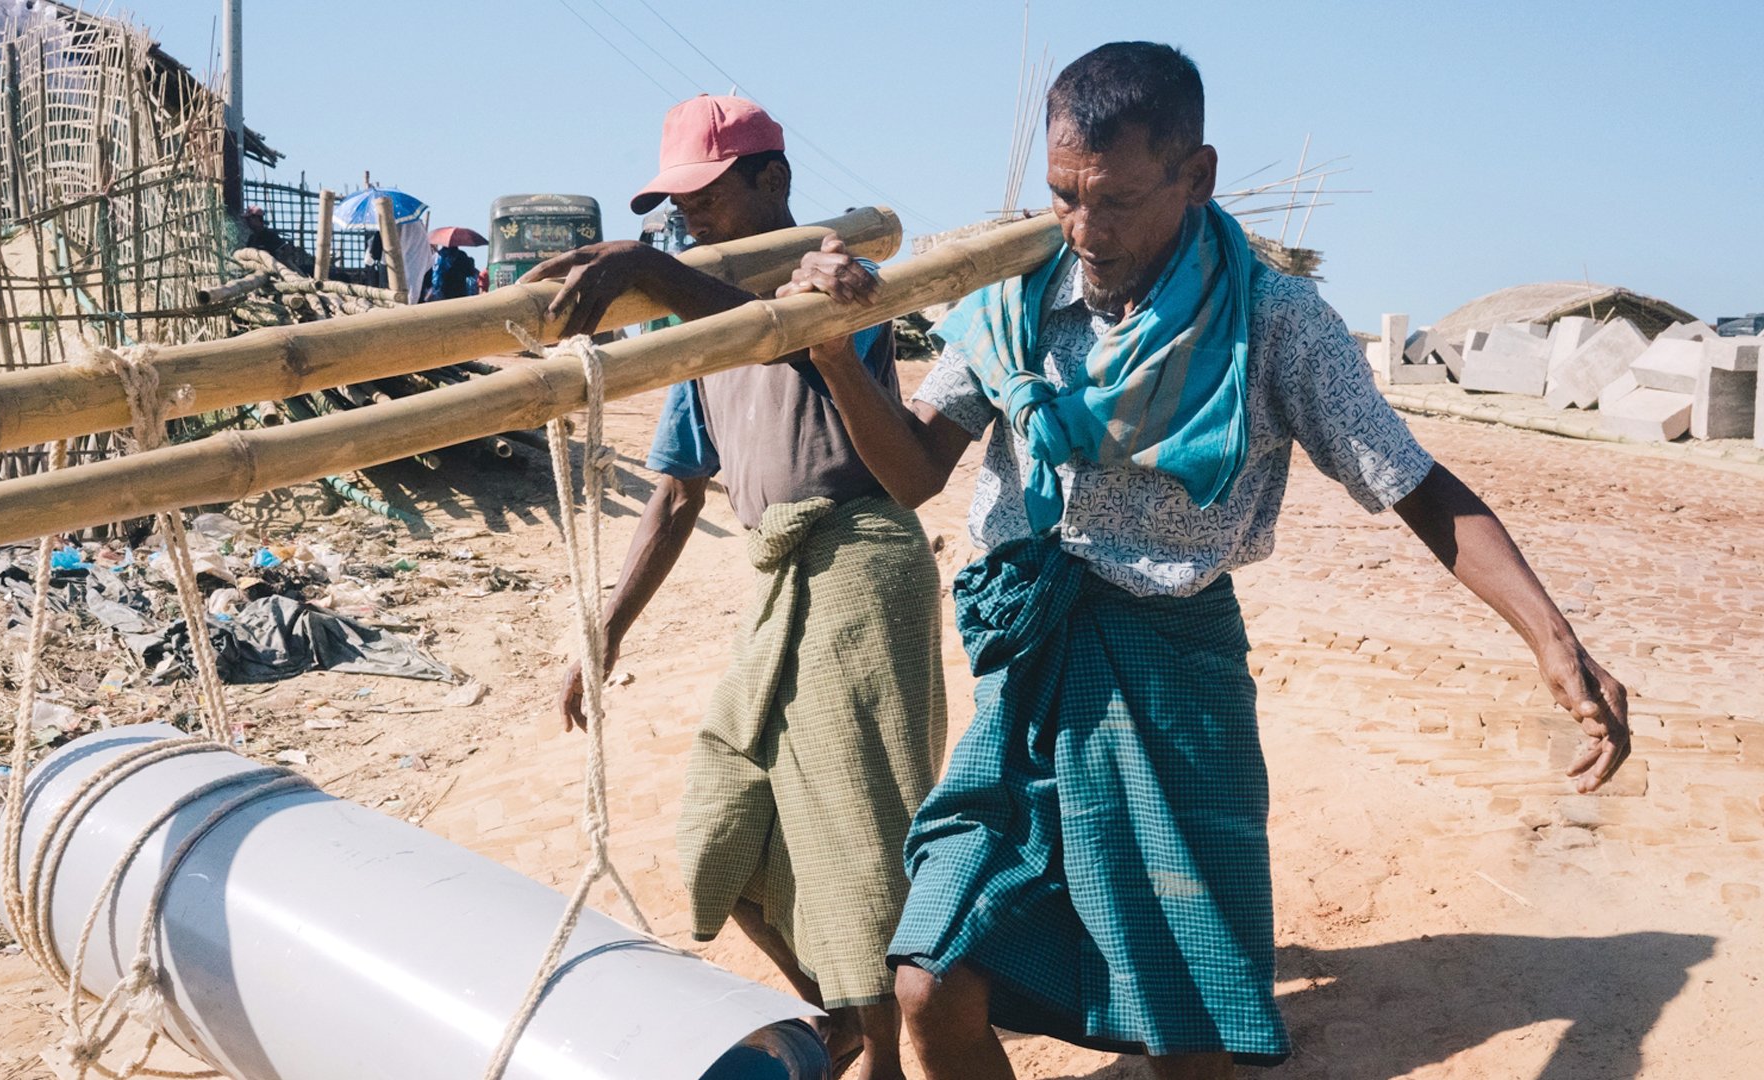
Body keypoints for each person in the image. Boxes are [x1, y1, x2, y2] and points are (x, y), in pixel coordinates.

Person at [777, 41, 1632, 1080]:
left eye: (1119, 200)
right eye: (1062, 197)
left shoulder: (1273, 324)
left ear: (1197, 174)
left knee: (1182, 1033)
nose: (1086, 232)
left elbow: (1417, 485)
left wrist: (1553, 639)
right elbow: (912, 473)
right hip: (1027, 677)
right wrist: (832, 354)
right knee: (931, 980)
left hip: (1173, 687)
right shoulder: (1008, 298)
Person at [525, 95, 944, 1080]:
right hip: (775, 580)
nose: (690, 220)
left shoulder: (832, 274)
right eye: (677, 208)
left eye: (707, 198)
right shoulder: (694, 320)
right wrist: (606, 629)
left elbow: (787, 332)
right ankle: (845, 1018)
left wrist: (653, 275)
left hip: (860, 566)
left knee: (859, 832)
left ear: (772, 182)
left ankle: (878, 1054)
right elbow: (675, 491)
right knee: (719, 833)